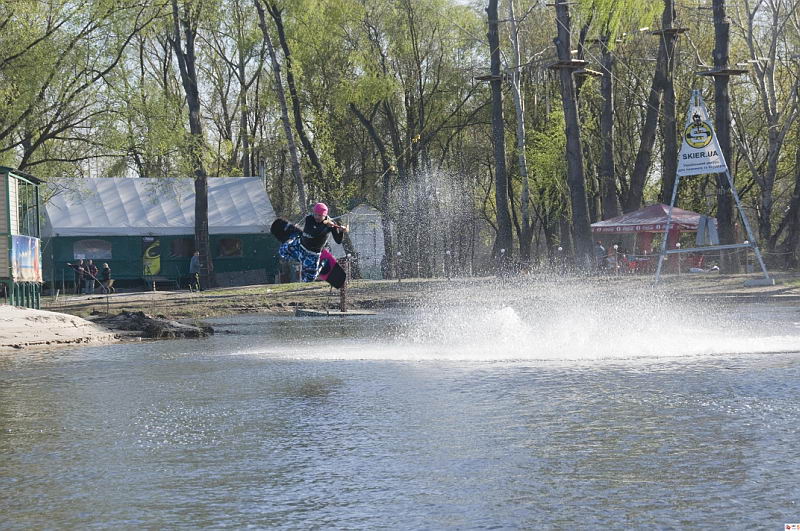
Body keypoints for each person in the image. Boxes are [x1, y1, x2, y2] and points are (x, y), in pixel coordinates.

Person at [278, 202, 348, 282]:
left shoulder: (331, 224)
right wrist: (325, 226)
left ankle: (322, 263)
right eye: (315, 214)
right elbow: (314, 233)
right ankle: (297, 251)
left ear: (325, 215)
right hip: (301, 246)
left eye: (320, 215)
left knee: (309, 279)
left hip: (313, 254)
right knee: (282, 251)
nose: (317, 217)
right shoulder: (309, 219)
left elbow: (338, 241)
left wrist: (341, 231)